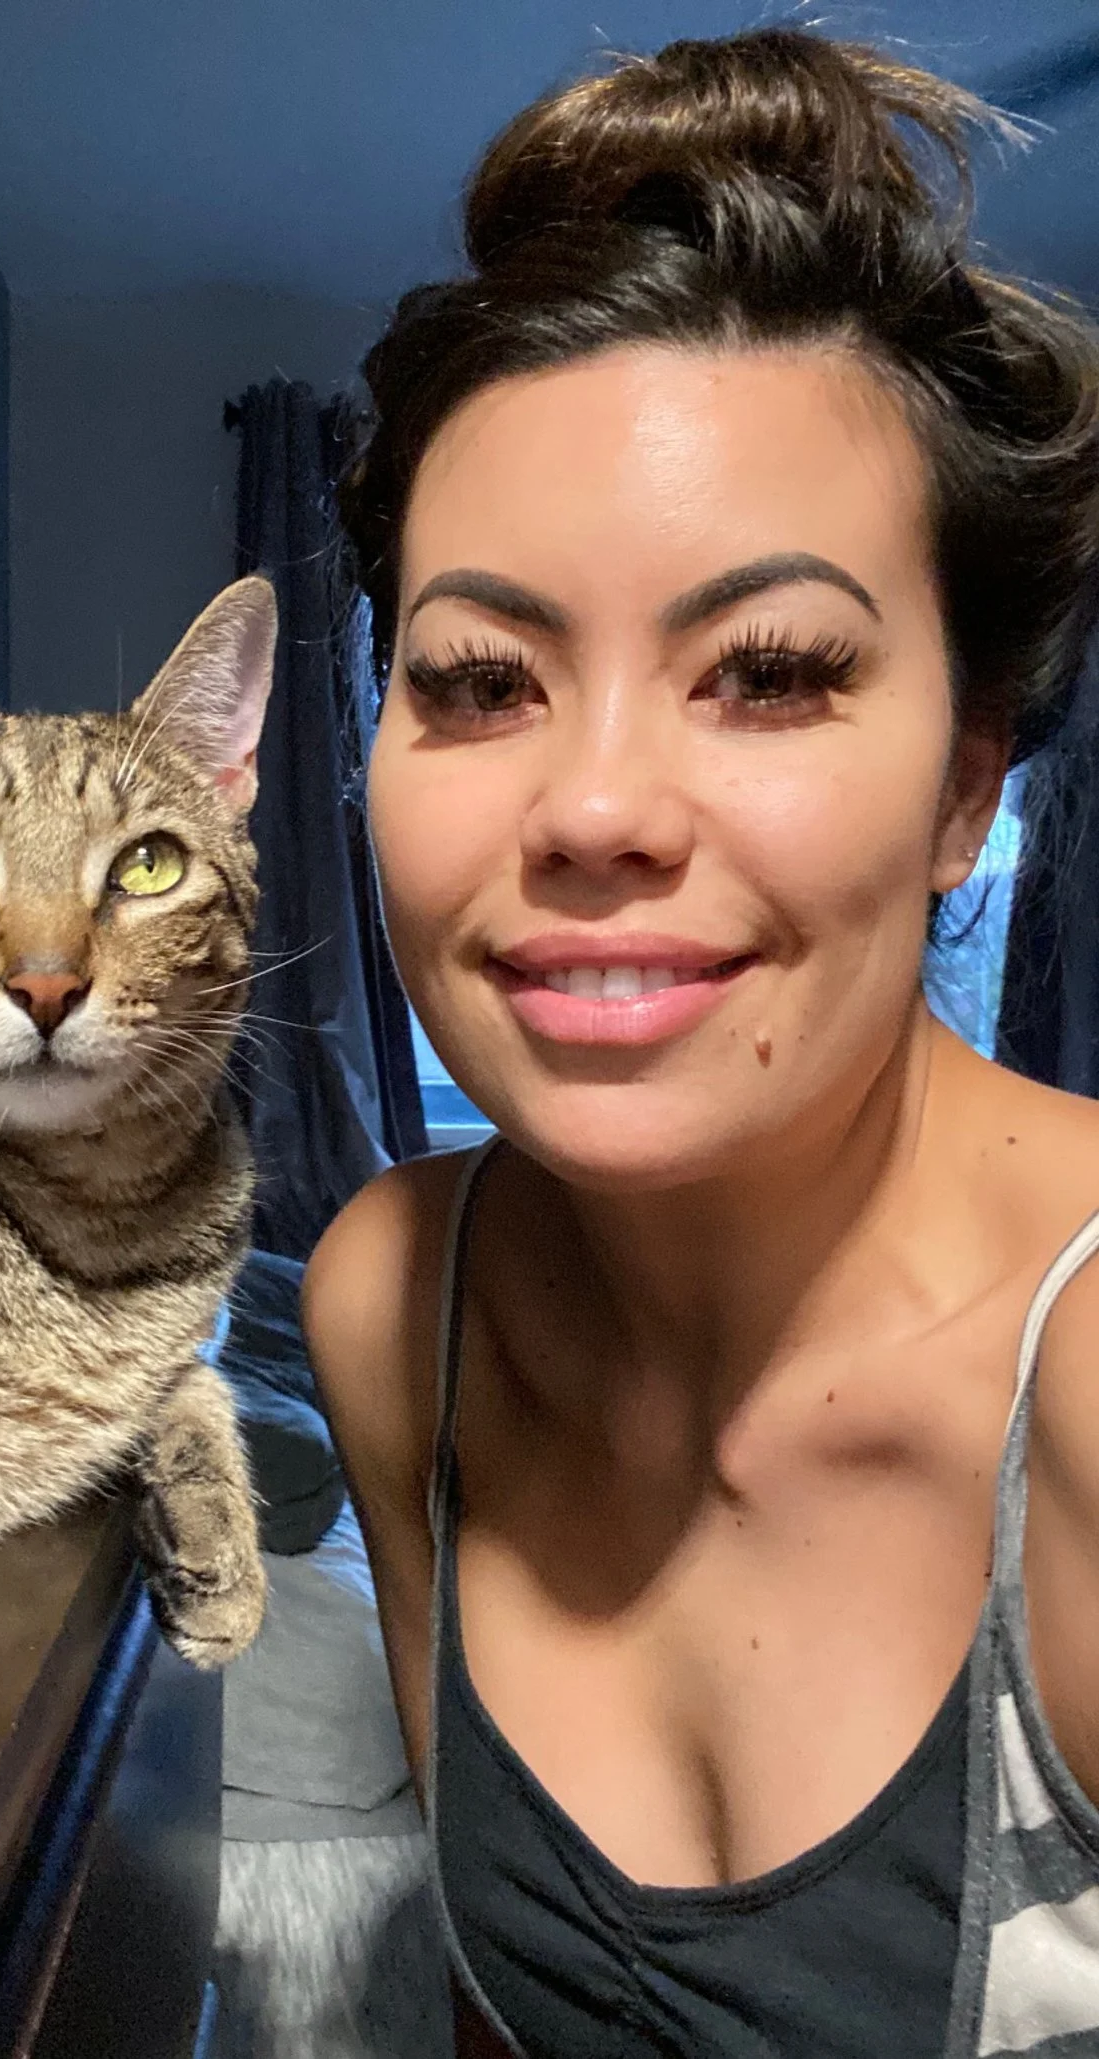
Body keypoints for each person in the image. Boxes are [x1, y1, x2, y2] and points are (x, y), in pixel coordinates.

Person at [302, 27, 1099, 2059]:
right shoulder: (398, 1304)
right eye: (478, 682)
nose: (589, 809)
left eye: (765, 673)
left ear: (963, 789)